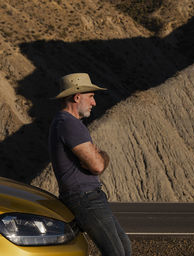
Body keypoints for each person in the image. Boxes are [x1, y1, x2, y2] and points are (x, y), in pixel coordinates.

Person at [48, 73, 131, 256]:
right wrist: (102, 155)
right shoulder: (69, 124)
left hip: (89, 197)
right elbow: (97, 166)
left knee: (124, 248)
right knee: (116, 253)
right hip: (85, 198)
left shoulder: (66, 123)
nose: (94, 103)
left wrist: (99, 156)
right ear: (77, 97)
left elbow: (94, 162)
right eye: (91, 97)